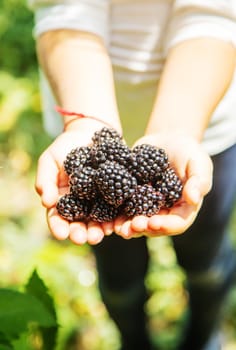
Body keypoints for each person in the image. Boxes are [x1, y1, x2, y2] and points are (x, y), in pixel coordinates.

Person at [28, 1, 236, 349]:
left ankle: (203, 337)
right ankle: (134, 340)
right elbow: (64, 8)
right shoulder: (100, 174)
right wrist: (85, 122)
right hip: (86, 107)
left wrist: (177, 129)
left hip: (204, 127)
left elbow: (216, 15)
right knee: (118, 277)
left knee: (208, 260)